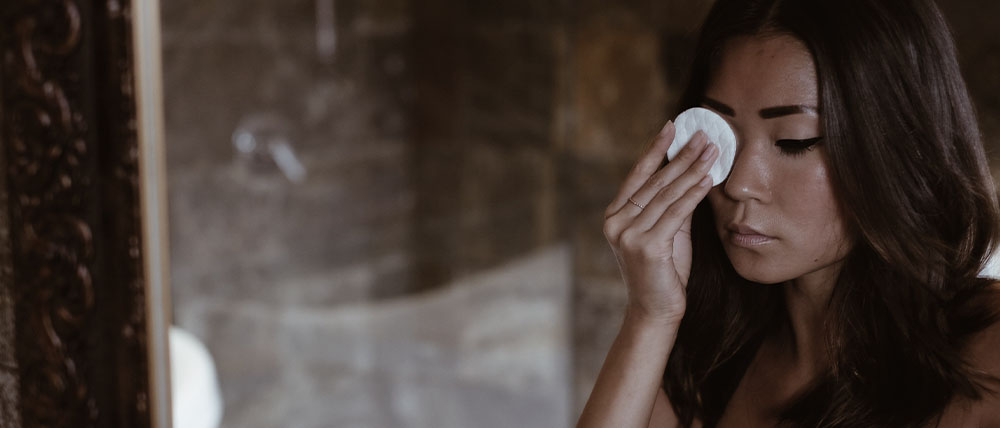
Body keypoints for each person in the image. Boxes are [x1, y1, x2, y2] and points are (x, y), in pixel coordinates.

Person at [578, 0, 1000, 426]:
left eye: (794, 141)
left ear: (897, 146)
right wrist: (648, 316)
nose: (739, 183)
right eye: (719, 136)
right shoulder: (707, 355)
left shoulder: (987, 358)